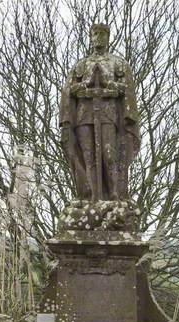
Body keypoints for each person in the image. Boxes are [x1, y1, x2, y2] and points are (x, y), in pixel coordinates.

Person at [60, 23, 140, 201]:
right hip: (83, 116)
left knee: (109, 154)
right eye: (95, 34)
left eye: (103, 34)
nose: (99, 38)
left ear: (108, 38)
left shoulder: (117, 63)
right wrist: (83, 85)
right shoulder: (81, 65)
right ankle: (91, 196)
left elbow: (127, 89)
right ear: (90, 38)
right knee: (88, 157)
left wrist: (110, 85)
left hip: (108, 114)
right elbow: (68, 91)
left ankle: (114, 194)